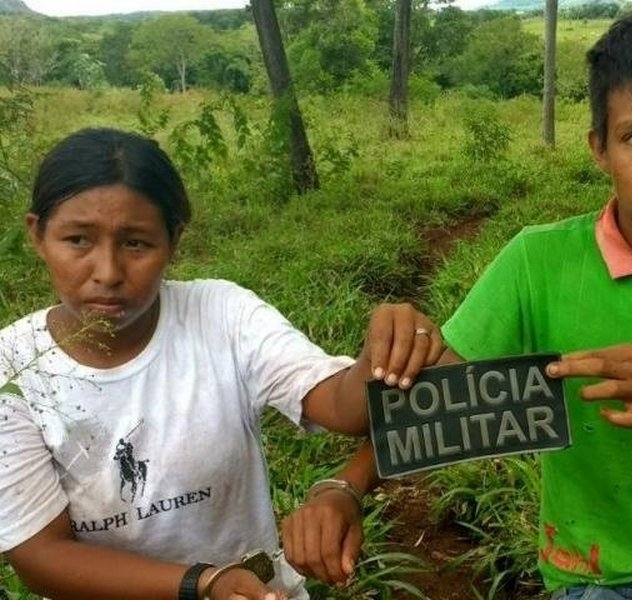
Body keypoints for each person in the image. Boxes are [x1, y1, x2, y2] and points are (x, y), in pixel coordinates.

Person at [288, 7, 632, 599]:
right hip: (593, 580)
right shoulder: (538, 263)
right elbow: (444, 406)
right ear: (599, 148)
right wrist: (345, 484)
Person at [0, 126, 443, 600]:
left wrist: (383, 349)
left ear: (174, 241)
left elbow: (342, 407)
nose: (107, 273)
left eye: (136, 244)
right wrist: (202, 584)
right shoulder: (14, 373)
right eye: (78, 240)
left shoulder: (221, 315)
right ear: (37, 235)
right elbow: (41, 556)